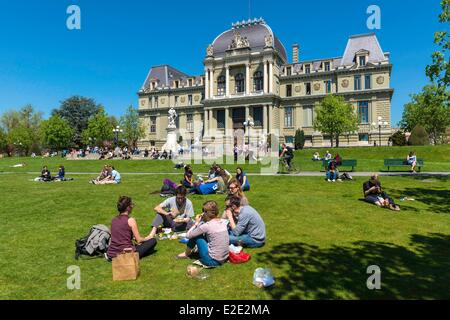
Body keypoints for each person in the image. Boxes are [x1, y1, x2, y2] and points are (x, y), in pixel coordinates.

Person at [176, 201, 229, 267]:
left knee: (197, 236)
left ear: (206, 213)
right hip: (224, 258)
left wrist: (197, 223)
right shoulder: (223, 222)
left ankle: (186, 254)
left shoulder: (207, 226)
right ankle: (191, 252)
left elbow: (188, 235)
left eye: (203, 211)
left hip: (212, 261)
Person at [105, 196, 157, 261]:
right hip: (125, 253)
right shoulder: (131, 220)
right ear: (127, 208)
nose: (132, 207)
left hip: (111, 254)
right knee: (153, 241)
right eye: (131, 205)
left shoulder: (113, 220)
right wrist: (149, 237)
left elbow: (118, 235)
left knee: (141, 245)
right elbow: (139, 240)